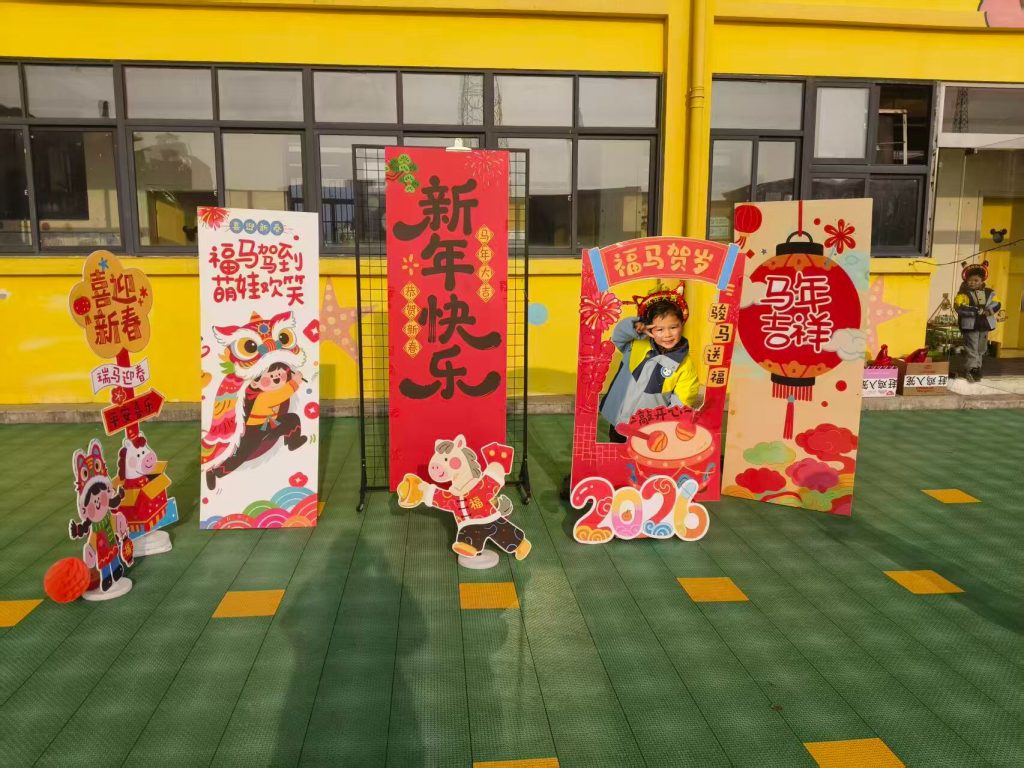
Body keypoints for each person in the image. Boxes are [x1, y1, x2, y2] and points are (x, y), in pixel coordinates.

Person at [600, 285, 700, 443]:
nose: (667, 334)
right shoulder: (636, 344)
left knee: (640, 458)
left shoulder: (685, 365)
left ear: (682, 324)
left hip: (649, 430)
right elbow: (618, 335)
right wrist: (635, 327)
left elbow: (681, 404)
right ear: (649, 328)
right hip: (618, 420)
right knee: (616, 452)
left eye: (673, 327)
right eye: (659, 329)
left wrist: (667, 428)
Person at [954, 262, 1001, 382]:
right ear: (966, 280)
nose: (973, 282)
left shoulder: (989, 292)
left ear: (982, 280)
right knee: (972, 348)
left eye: (976, 280)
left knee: (981, 348)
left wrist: (990, 310)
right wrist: (976, 311)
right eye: (970, 280)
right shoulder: (963, 294)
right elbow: (959, 306)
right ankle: (971, 369)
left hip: (984, 325)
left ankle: (977, 368)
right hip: (970, 326)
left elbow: (997, 303)